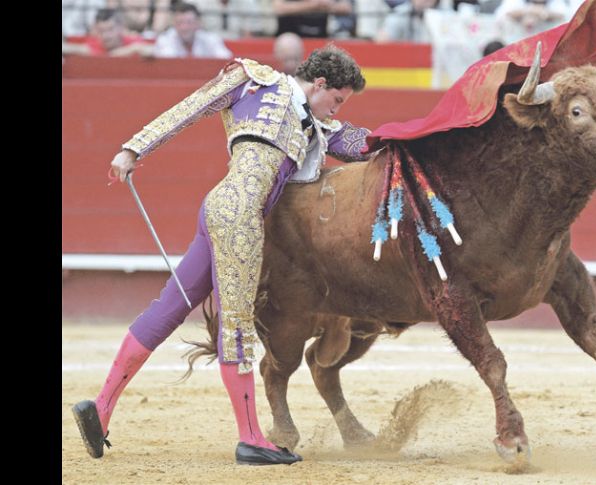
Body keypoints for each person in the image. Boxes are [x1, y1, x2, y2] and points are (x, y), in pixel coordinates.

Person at [72, 44, 373, 466]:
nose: (334, 111)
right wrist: (133, 149)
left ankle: (101, 408)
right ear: (320, 83)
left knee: (169, 307)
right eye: (337, 99)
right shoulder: (255, 78)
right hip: (242, 216)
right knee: (235, 325)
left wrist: (414, 138)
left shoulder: (313, 123)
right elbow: (193, 106)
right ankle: (250, 437)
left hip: (218, 208)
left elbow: (365, 144)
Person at [62, 7, 154, 56]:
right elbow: (106, 57)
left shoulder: (133, 41)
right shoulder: (94, 44)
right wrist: (132, 49)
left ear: (120, 28)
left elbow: (151, 50)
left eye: (110, 29)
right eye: (101, 31)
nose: (106, 36)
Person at [154, 2, 233, 58]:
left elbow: (225, 58)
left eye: (189, 22)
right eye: (179, 22)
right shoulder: (165, 39)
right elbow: (168, 62)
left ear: (198, 23)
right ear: (173, 23)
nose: (184, 28)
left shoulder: (211, 39)